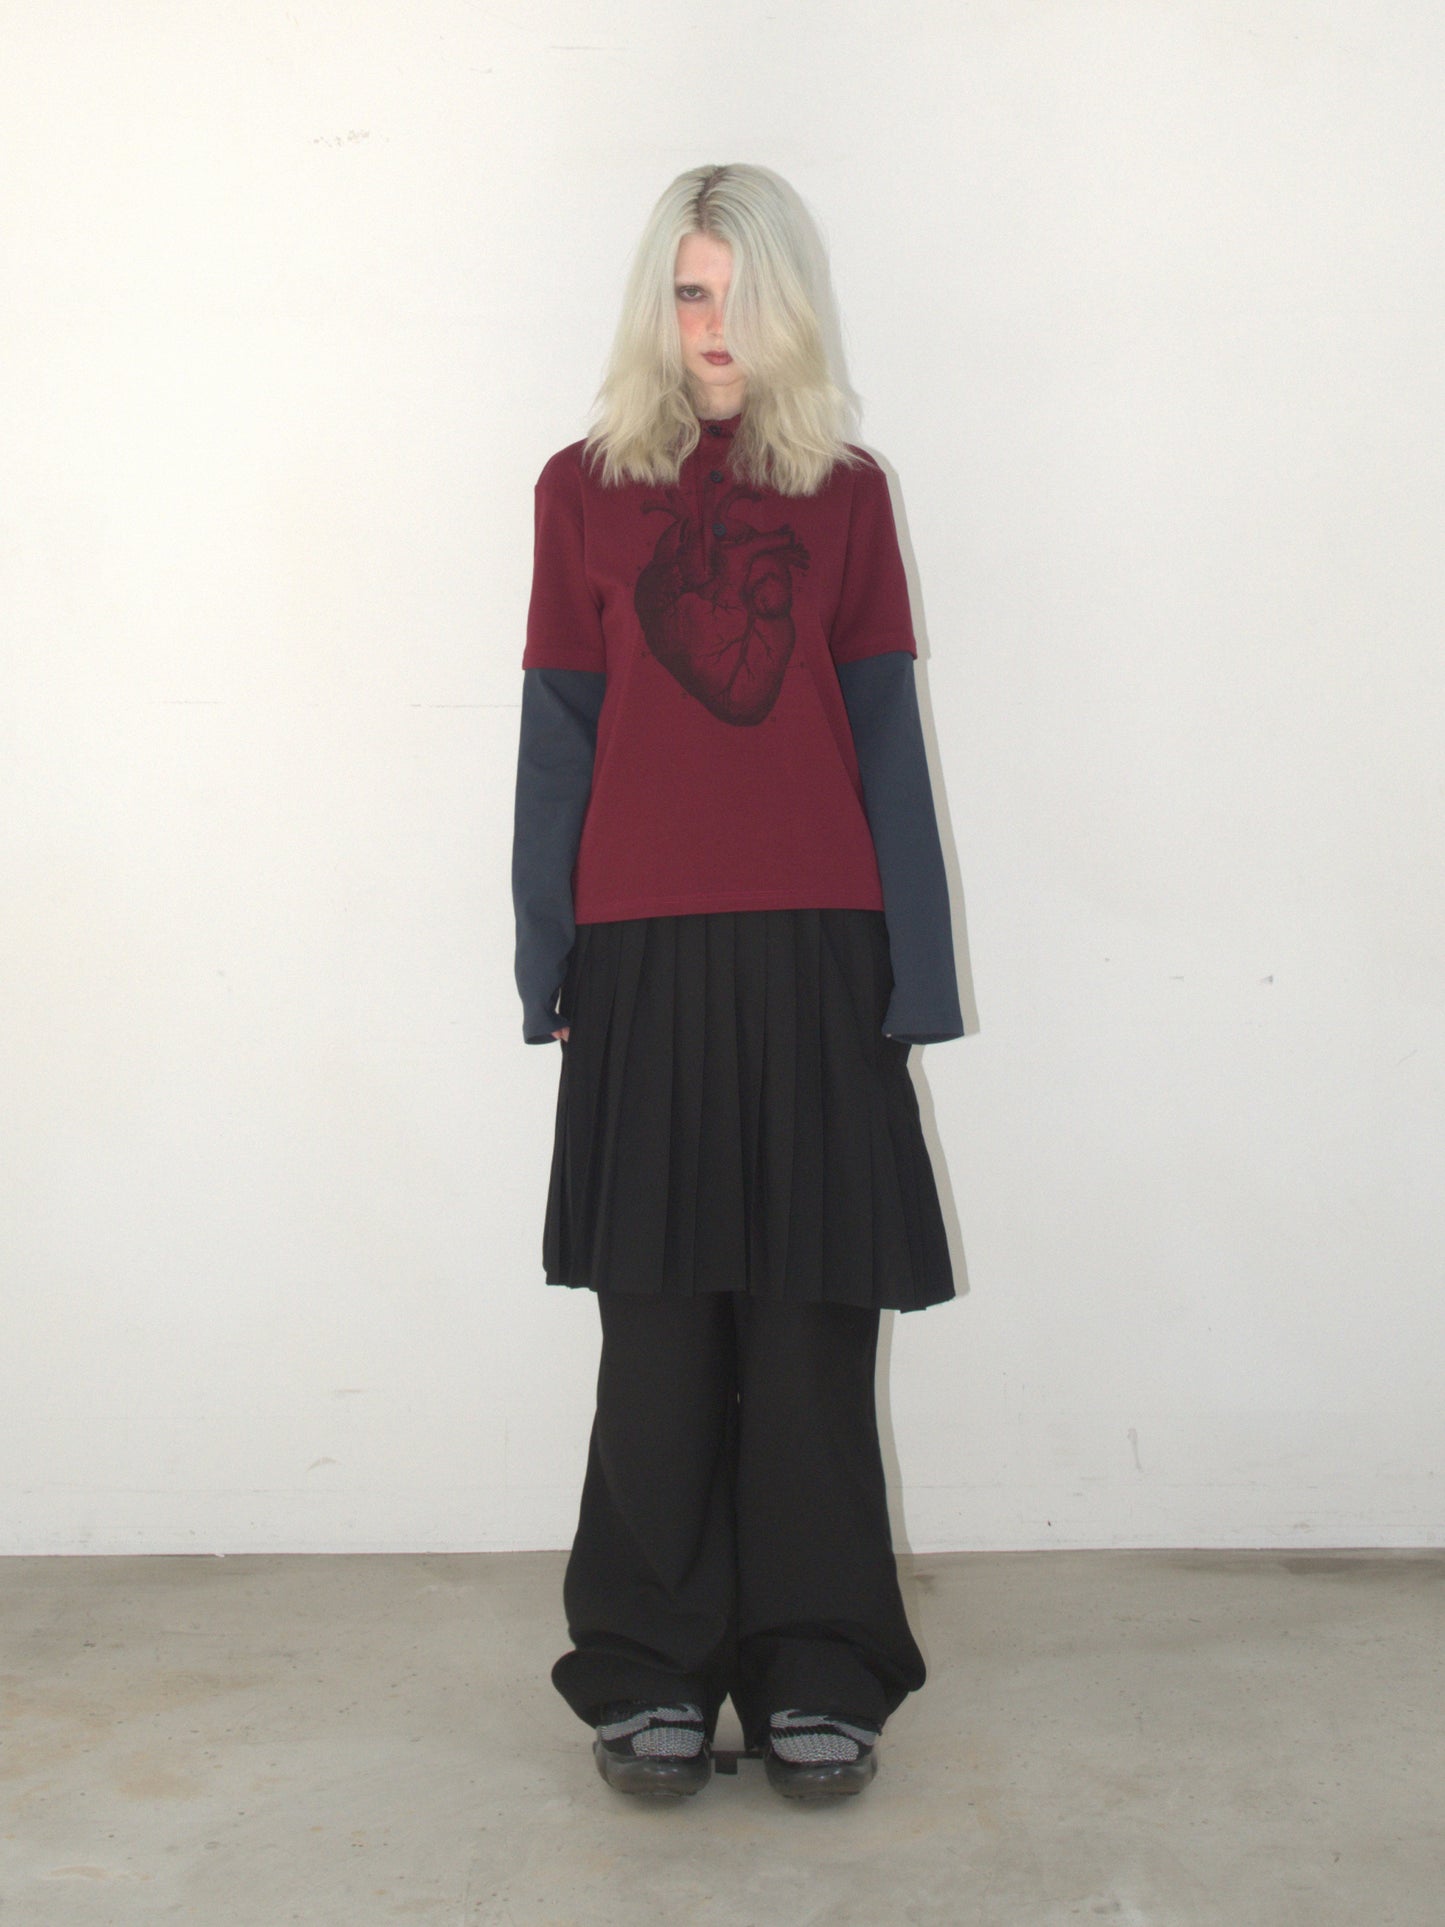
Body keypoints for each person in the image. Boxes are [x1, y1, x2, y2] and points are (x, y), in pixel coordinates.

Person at [511, 163, 965, 1802]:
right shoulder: (580, 492)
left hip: (816, 944)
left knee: (808, 1325)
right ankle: (648, 1663)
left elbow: (885, 740)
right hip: (640, 947)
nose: (714, 326)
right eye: (689, 292)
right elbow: (558, 736)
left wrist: (913, 969)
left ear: (789, 308)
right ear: (659, 304)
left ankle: (817, 1663)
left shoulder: (845, 495)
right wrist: (545, 949)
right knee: (655, 1331)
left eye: (742, 294)